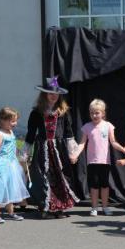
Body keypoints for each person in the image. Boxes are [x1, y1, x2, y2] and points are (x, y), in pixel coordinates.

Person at [23, 77, 79, 219]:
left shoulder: (63, 112)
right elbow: (31, 134)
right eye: (50, 93)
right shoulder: (36, 112)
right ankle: (45, 208)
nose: (53, 96)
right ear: (44, 94)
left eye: (56, 94)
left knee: (60, 177)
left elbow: (68, 133)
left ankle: (58, 207)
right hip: (43, 149)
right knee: (44, 177)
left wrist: (73, 152)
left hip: (59, 150)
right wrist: (26, 151)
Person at [70, 99, 125, 217]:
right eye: (92, 113)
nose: (94, 115)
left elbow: (113, 142)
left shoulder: (108, 126)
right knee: (94, 185)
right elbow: (82, 143)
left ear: (103, 113)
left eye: (97, 113)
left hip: (105, 162)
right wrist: (75, 154)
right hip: (92, 162)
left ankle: (105, 207)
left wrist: (123, 149)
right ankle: (94, 207)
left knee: (105, 185)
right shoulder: (87, 127)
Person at [0, 107, 30, 224]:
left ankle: (11, 212)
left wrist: (20, 153)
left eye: (15, 121)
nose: (15, 123)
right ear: (3, 121)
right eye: (12, 121)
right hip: (1, 165)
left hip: (11, 165)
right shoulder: (0, 134)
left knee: (10, 188)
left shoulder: (10, 132)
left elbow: (12, 147)